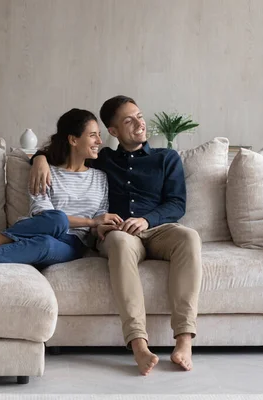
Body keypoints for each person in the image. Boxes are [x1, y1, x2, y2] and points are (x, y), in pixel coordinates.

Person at [30, 96, 202, 376]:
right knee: (121, 242)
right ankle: (138, 344)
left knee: (189, 237)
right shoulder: (103, 159)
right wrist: (38, 159)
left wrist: (147, 220)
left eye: (140, 116)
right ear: (113, 131)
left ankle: (184, 341)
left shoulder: (166, 158)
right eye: (128, 120)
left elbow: (176, 204)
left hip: (158, 229)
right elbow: (65, 149)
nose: (139, 124)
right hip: (119, 233)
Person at [0, 108, 122, 269]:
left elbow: (99, 219)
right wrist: (91, 221)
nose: (99, 141)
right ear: (73, 140)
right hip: (41, 228)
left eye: (99, 135)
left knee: (45, 244)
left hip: (72, 243)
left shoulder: (100, 178)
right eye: (93, 135)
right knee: (58, 218)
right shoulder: (44, 172)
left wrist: (101, 227)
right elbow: (42, 213)